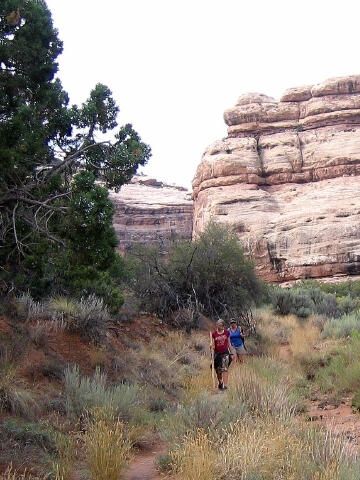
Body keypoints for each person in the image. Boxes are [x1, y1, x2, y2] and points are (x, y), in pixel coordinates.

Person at [211, 319, 232, 390]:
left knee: (225, 369)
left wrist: (231, 352)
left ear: (223, 325)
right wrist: (211, 346)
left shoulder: (226, 332)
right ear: (217, 325)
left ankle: (225, 386)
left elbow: (229, 343)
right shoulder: (214, 334)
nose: (220, 326)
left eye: (221, 325)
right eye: (219, 325)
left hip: (225, 352)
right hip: (217, 354)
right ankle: (220, 382)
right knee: (218, 370)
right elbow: (213, 345)